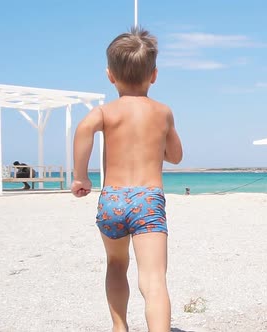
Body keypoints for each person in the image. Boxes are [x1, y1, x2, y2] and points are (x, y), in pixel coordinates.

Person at [71, 26, 183, 332]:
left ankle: (120, 327)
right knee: (154, 280)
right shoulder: (162, 112)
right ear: (154, 75)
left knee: (117, 265)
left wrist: (81, 176)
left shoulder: (105, 112)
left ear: (110, 75)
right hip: (147, 200)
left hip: (112, 199)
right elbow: (175, 156)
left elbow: (83, 129)